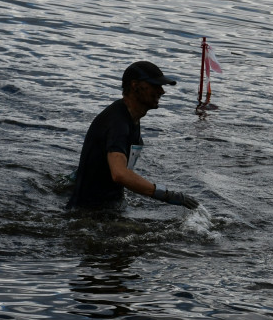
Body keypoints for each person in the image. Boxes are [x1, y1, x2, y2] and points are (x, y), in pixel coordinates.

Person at [68, 61, 198, 211]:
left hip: (107, 208)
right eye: (155, 85)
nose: (162, 91)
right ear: (135, 85)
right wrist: (167, 195)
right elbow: (120, 174)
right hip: (89, 214)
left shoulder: (130, 118)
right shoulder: (117, 123)